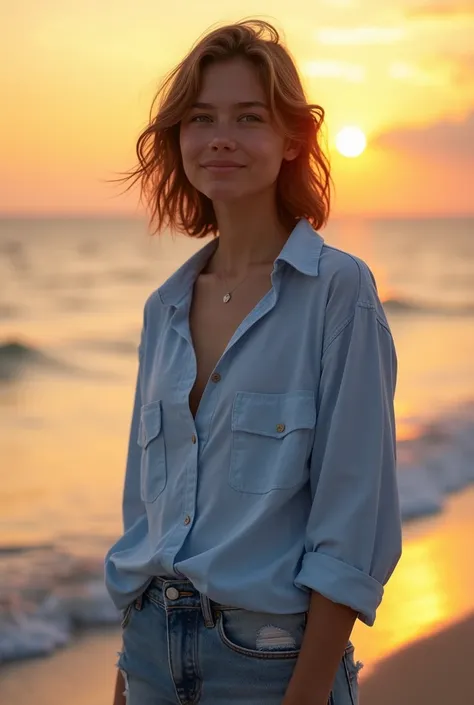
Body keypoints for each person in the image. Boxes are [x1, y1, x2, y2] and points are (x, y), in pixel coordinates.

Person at [105, 19, 402, 705]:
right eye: (201, 118)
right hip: (148, 651)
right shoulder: (165, 307)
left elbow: (352, 525)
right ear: (179, 138)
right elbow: (145, 519)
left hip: (269, 664)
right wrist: (125, 675)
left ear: (293, 137)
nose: (220, 138)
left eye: (248, 118)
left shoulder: (338, 292)